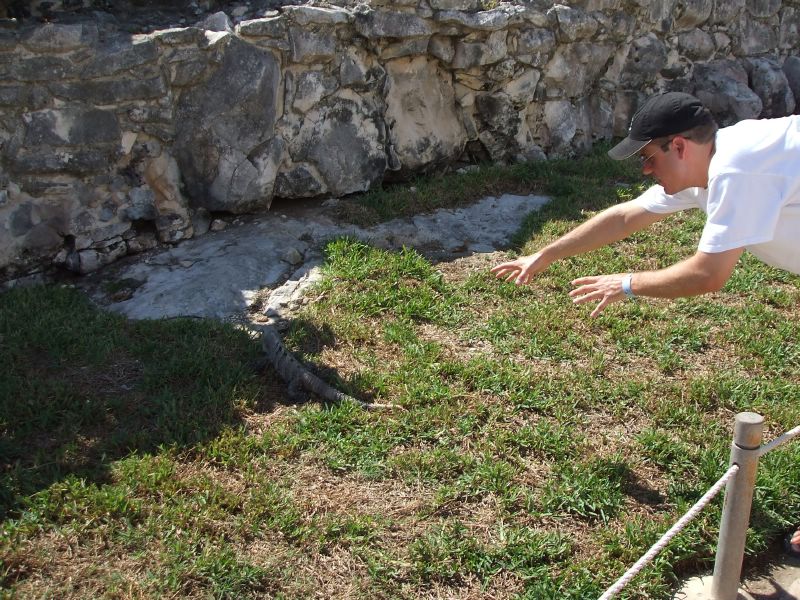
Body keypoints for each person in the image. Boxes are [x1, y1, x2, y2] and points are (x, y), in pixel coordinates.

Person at [491, 91, 800, 548]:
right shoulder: (710, 166)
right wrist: (547, 254)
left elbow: (708, 273)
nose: (645, 170)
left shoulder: (738, 168)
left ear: (679, 146)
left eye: (649, 156)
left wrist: (628, 283)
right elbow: (624, 216)